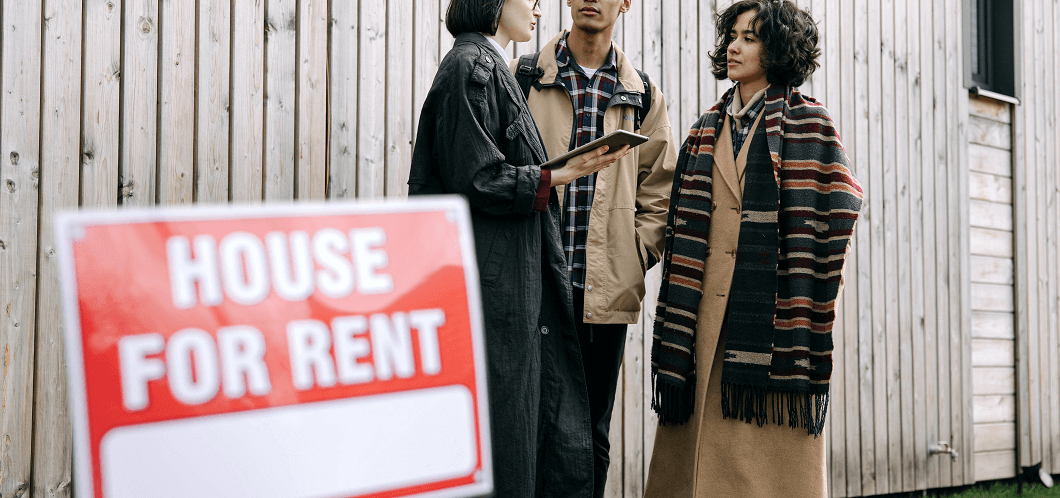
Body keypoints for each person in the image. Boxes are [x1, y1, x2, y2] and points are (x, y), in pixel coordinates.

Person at [407, 0, 631, 496]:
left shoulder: (482, 64)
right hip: (496, 287)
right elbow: (477, 177)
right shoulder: (474, 66)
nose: (536, 5)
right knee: (507, 431)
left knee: (528, 426)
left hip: (508, 281)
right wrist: (560, 173)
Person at [643, 1, 863, 497]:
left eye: (751, 37)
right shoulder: (704, 128)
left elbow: (838, 212)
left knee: (762, 470)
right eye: (732, 35)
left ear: (780, 49)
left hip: (772, 319)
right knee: (695, 466)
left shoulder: (811, 125)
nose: (734, 46)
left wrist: (807, 287)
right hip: (699, 318)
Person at [510, 1, 676, 495]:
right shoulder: (523, 78)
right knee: (526, 428)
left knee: (589, 436)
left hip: (601, 297)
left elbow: (660, 195)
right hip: (533, 290)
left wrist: (630, 258)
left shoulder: (642, 94)